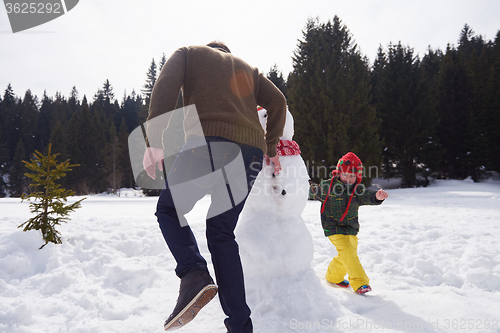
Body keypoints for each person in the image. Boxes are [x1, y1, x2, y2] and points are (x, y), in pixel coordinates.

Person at [142, 41, 286, 333]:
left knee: (169, 210)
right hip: (251, 154)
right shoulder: (249, 69)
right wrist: (270, 147)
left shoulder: (190, 53)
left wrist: (155, 138)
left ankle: (194, 273)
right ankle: (240, 327)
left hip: (209, 143)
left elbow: (166, 83)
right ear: (227, 53)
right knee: (221, 233)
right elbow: (278, 101)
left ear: (211, 49)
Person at [310, 152, 388, 295]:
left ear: (357, 177)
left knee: (348, 254)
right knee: (347, 252)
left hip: (350, 228)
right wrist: (295, 189)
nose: (348, 178)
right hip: (332, 226)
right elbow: (312, 191)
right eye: (345, 174)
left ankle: (333, 277)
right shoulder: (328, 186)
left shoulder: (357, 190)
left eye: (352, 176)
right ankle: (360, 282)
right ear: (338, 172)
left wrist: (376, 196)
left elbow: (367, 195)